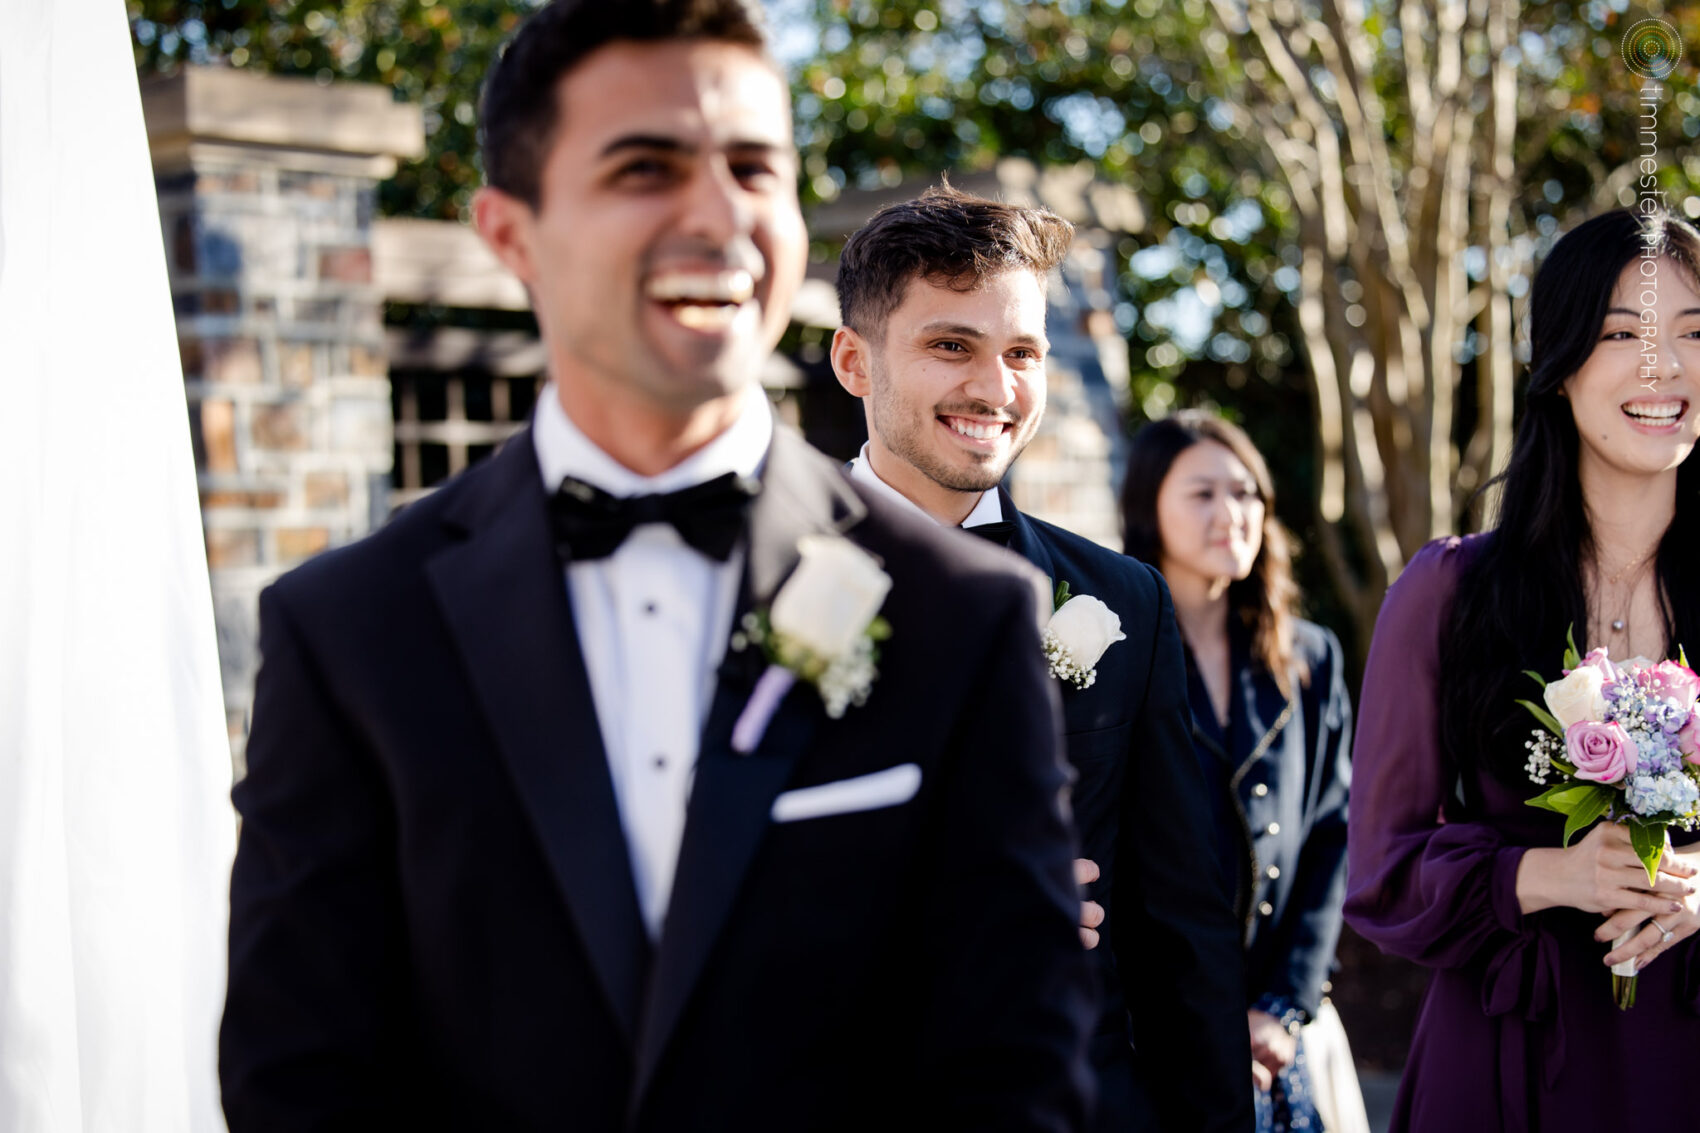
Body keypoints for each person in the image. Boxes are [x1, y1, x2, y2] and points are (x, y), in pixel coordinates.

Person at [217, 4, 1098, 1130]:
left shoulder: (962, 616)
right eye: (646, 167)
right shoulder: (346, 629)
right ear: (511, 234)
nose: (717, 214)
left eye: (751, 167)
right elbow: (300, 1080)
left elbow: (1008, 1075)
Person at [829, 184, 1251, 1133]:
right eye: (951, 346)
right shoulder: (757, 587)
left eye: (1022, 352)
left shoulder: (1122, 602)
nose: (995, 387)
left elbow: (1182, 923)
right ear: (856, 361)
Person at [1345, 208, 1700, 1132]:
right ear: (1562, 362)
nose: (1662, 365)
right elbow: (1380, 870)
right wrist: (1551, 876)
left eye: (1694, 334)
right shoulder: (1450, 591)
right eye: (1624, 333)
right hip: (1513, 1055)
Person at [1121, 412, 1363, 1133]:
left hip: (1284, 1027)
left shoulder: (1310, 657)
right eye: (1203, 493)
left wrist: (1284, 1006)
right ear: (1148, 505)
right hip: (1151, 1034)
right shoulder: (1114, 654)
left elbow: (1332, 833)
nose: (1233, 513)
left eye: (1247, 492)